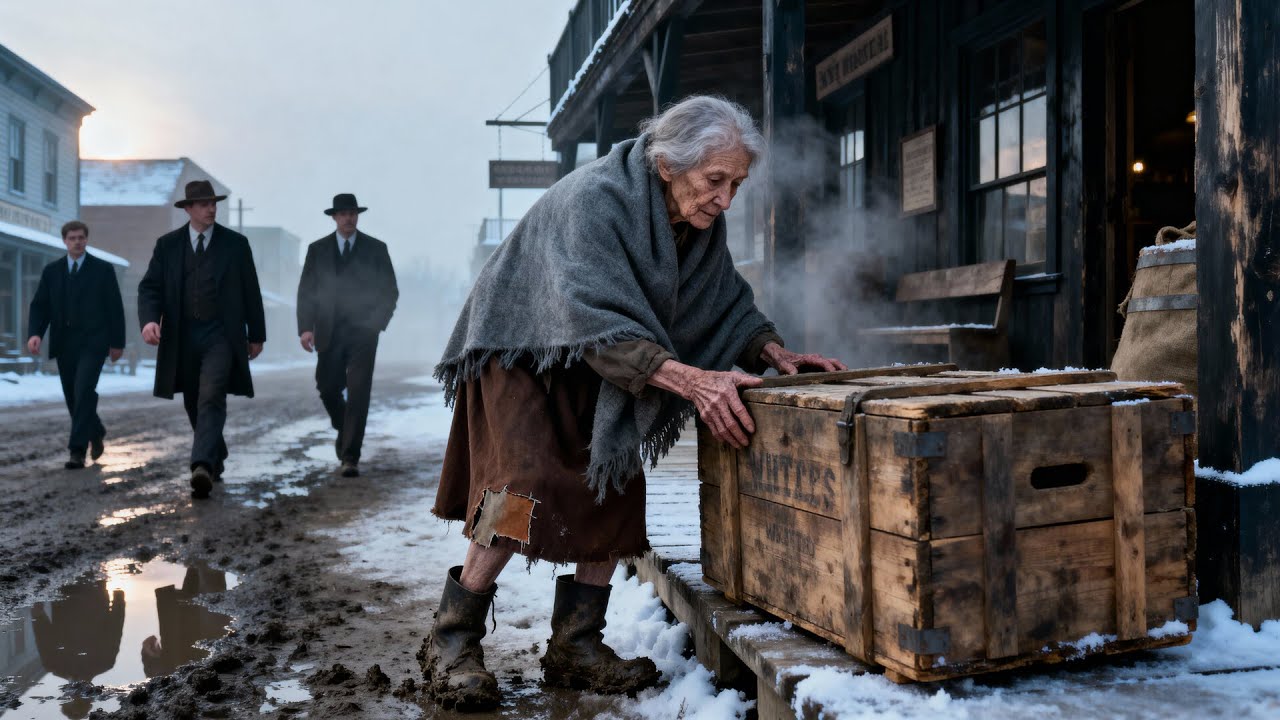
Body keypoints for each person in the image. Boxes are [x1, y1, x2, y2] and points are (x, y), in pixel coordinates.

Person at [423, 95, 845, 711]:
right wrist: (694, 380)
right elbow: (594, 318)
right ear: (670, 164)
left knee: (614, 484)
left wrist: (770, 349)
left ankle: (576, 645)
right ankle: (451, 638)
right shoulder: (597, 201)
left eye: (736, 184)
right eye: (715, 181)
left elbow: (721, 298)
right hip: (522, 348)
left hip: (596, 358)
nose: (726, 199)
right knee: (517, 490)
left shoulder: (695, 221)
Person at [137, 180, 266, 499]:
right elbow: (150, 287)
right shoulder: (167, 246)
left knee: (211, 395)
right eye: (204, 204)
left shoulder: (235, 244)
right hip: (181, 336)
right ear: (189, 209)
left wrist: (257, 334)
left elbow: (251, 290)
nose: (211, 209)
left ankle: (201, 466)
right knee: (193, 400)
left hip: (221, 335)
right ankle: (215, 451)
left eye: (214, 203)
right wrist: (150, 320)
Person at [296, 193, 398, 477]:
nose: (348, 218)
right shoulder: (318, 250)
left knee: (358, 393)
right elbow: (306, 291)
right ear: (334, 217)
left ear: (357, 215)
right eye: (343, 213)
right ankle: (345, 427)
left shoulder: (376, 249)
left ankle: (350, 456)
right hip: (327, 331)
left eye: (353, 212)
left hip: (363, 334)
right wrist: (305, 327)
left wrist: (376, 324)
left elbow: (389, 290)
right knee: (327, 387)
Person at [26, 220, 126, 469]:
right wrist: (35, 333)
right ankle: (96, 430)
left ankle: (77, 451)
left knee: (82, 390)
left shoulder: (103, 270)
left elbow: (115, 307)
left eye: (81, 237)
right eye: (72, 238)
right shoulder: (52, 271)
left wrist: (117, 343)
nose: (77, 242)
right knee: (73, 396)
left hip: (94, 342)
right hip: (64, 343)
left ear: (86, 239)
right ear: (64, 241)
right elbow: (40, 305)